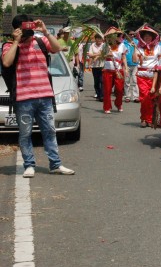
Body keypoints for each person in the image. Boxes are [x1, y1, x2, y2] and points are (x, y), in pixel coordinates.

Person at [2, 15, 75, 178]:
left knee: (49, 131)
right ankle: (29, 165)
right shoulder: (9, 45)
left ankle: (55, 164)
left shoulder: (40, 41)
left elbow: (57, 48)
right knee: (25, 133)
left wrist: (45, 31)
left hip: (45, 96)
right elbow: (6, 62)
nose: (28, 31)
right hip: (24, 98)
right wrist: (16, 41)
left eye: (29, 26)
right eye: (24, 28)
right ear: (16, 29)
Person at [133, 25, 161, 128]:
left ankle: (150, 119)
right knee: (144, 98)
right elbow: (134, 60)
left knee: (152, 98)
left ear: (153, 37)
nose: (147, 38)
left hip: (154, 77)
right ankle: (144, 118)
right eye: (145, 36)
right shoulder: (139, 47)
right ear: (142, 37)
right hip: (142, 76)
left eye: (149, 36)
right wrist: (135, 51)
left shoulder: (158, 48)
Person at [102, 27, 128, 114]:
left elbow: (123, 57)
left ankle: (118, 104)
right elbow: (101, 56)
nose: (118, 37)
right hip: (108, 69)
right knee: (107, 89)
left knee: (120, 89)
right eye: (116, 36)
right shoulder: (106, 45)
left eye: (119, 36)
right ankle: (107, 107)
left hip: (118, 70)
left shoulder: (122, 45)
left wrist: (126, 68)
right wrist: (107, 55)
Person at [87, 33, 105, 101]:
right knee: (96, 81)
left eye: (100, 40)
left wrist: (95, 55)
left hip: (103, 65)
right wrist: (98, 55)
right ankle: (98, 94)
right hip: (95, 66)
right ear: (95, 39)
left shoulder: (104, 45)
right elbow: (90, 55)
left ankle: (102, 95)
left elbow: (104, 53)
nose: (99, 42)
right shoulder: (92, 45)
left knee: (102, 81)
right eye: (97, 40)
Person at [123, 30, 140, 103]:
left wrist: (135, 46)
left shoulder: (137, 42)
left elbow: (140, 51)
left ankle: (136, 97)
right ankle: (127, 96)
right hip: (126, 64)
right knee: (127, 81)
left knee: (135, 80)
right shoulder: (124, 42)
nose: (132, 36)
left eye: (133, 34)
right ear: (128, 35)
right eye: (130, 34)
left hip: (135, 64)